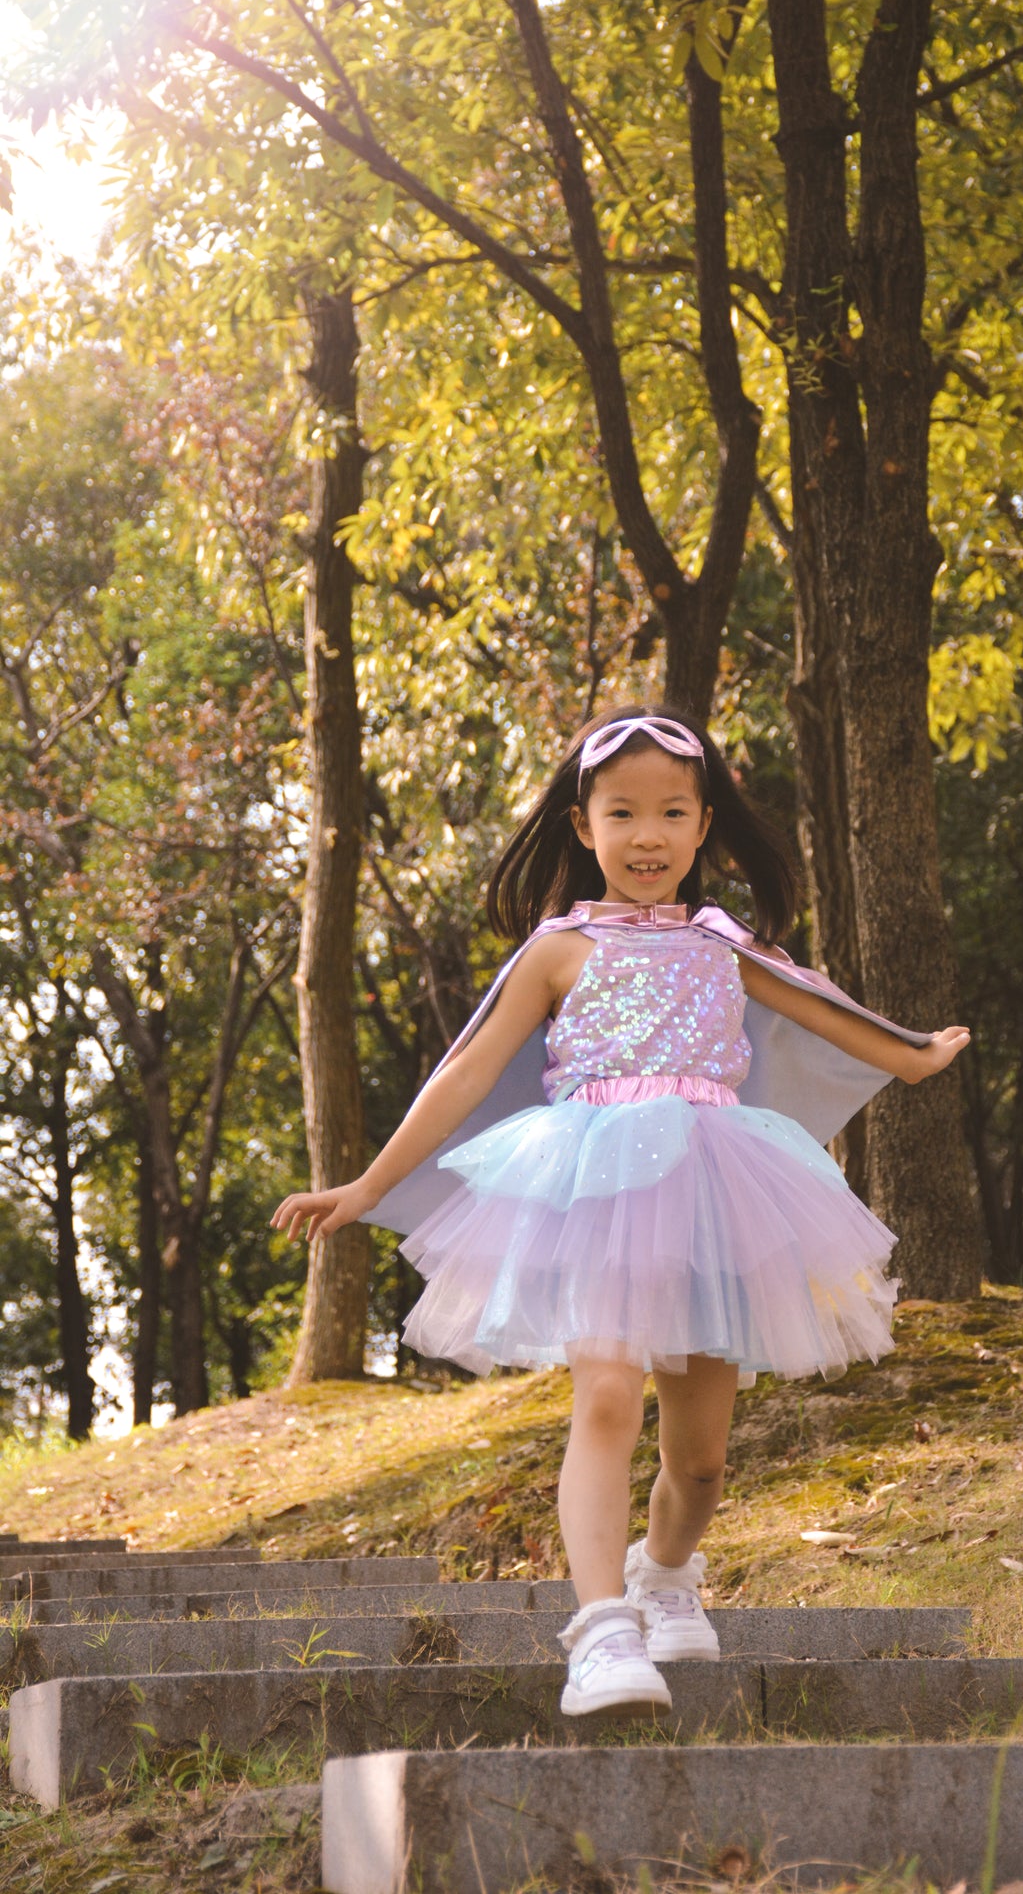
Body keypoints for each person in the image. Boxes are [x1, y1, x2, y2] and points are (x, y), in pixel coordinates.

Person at [272, 705, 969, 1718]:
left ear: (700, 830)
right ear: (583, 825)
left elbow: (827, 1010)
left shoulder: (725, 943)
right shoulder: (558, 948)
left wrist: (914, 1055)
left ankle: (664, 1574)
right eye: (623, 811)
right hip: (595, 1192)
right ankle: (599, 1630)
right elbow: (465, 1068)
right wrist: (366, 1184)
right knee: (604, 1396)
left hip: (713, 1194)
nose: (647, 834)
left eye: (672, 812)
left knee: (701, 1458)